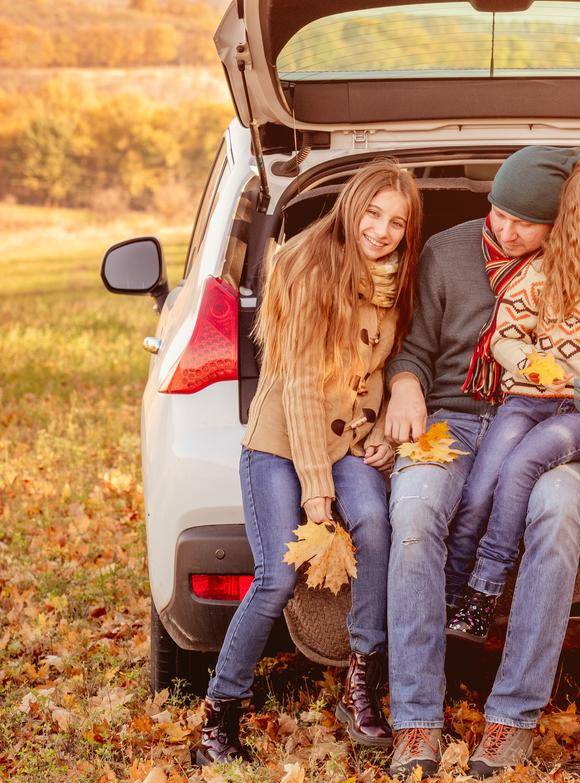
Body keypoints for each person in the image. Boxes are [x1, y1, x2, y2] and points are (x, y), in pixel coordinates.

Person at [193, 160, 422, 765]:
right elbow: (297, 385)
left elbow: (381, 369)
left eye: (396, 221)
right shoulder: (302, 265)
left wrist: (383, 436)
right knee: (276, 576)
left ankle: (360, 688)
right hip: (279, 444)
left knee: (376, 528)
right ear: (350, 206)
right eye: (372, 213)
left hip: (347, 444)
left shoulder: (398, 281)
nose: (381, 230)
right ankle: (219, 714)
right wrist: (316, 493)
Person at [382, 146, 580, 779]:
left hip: (543, 422)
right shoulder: (446, 253)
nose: (503, 230)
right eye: (498, 213)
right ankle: (416, 719)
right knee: (416, 513)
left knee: (559, 515)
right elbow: (411, 347)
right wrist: (404, 385)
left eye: (523, 223)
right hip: (448, 417)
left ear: (557, 226)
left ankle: (512, 718)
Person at [443, 157, 580, 647]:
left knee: (523, 466)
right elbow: (505, 339)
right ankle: (450, 594)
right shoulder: (540, 272)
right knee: (477, 490)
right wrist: (544, 367)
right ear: (577, 215)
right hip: (527, 400)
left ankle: (483, 590)